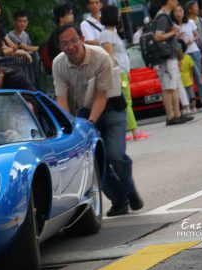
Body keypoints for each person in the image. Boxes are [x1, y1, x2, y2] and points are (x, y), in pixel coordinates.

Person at [52, 24, 143, 217]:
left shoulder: (100, 56)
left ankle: (130, 190)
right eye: (64, 43)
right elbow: (61, 98)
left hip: (111, 108)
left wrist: (89, 124)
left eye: (74, 41)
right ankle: (119, 200)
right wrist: (69, 125)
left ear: (82, 39)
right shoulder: (58, 64)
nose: (70, 46)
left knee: (114, 155)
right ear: (59, 46)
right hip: (84, 111)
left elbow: (102, 96)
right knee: (94, 160)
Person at [99, 5, 148, 141]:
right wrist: (117, 76)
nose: (119, 17)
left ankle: (128, 130)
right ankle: (134, 130)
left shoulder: (112, 32)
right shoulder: (106, 35)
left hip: (122, 72)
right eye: (117, 14)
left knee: (125, 101)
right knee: (126, 101)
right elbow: (109, 57)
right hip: (118, 73)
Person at [155, 0, 194, 124]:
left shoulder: (165, 15)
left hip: (170, 56)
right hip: (166, 57)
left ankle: (177, 114)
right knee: (168, 87)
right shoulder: (162, 16)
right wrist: (173, 32)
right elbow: (158, 36)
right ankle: (171, 116)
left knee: (174, 86)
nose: (177, 2)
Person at [175, 3, 202, 110]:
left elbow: (196, 35)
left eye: (180, 11)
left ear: (184, 12)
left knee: (198, 77)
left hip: (193, 51)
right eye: (176, 11)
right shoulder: (173, 26)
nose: (178, 13)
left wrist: (192, 40)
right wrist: (176, 36)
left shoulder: (190, 22)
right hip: (181, 55)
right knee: (183, 80)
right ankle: (187, 104)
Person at [42, 4, 75, 74]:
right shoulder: (57, 35)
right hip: (63, 71)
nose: (72, 16)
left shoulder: (67, 32)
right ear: (61, 18)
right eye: (69, 14)